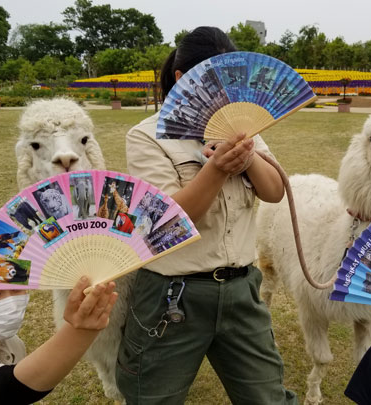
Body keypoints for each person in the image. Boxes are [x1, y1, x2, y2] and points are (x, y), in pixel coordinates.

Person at [118, 26, 297, 404]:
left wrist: (249, 158)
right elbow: (165, 222)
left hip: (242, 289)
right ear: (182, 78)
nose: (224, 95)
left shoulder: (244, 126)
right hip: (173, 296)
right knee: (153, 398)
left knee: (267, 398)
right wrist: (215, 171)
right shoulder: (147, 136)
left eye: (230, 83)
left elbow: (275, 191)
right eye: (211, 82)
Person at [0, 231, 118, 405]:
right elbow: (12, 389)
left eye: (16, 289)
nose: (10, 302)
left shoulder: (11, 344)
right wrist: (80, 329)